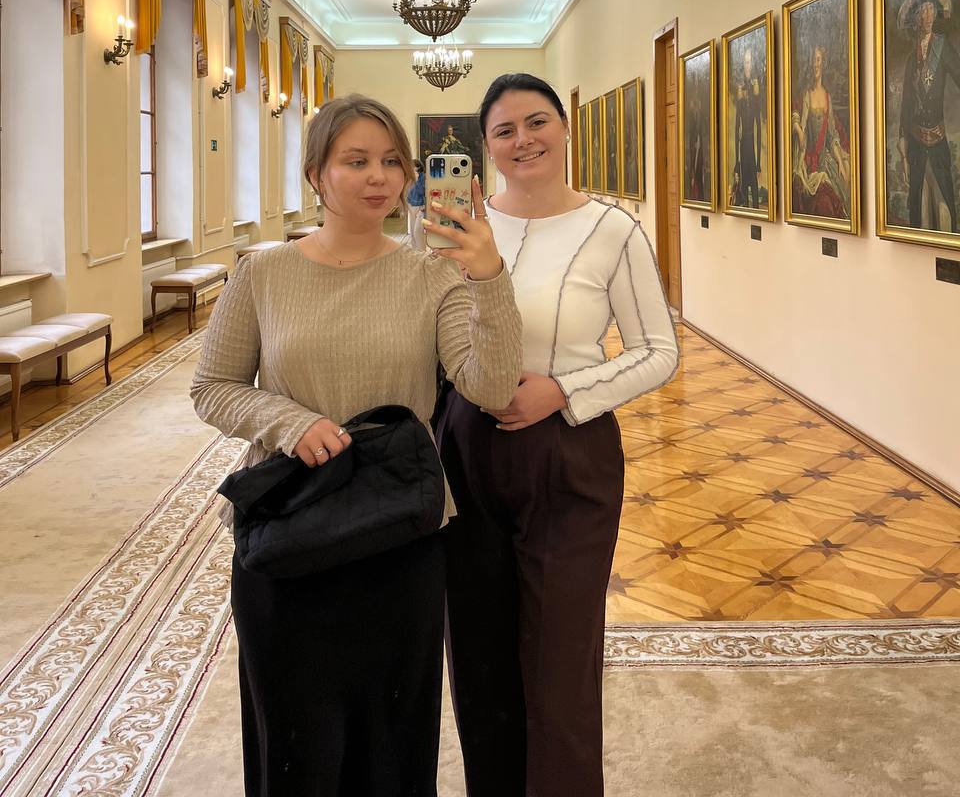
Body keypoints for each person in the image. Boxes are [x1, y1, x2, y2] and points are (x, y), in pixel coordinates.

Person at [191, 94, 521, 797]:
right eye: (356, 160)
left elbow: (492, 387)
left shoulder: (432, 274)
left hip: (397, 537)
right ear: (316, 173)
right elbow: (212, 387)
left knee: (394, 749)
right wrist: (291, 423)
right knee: (295, 748)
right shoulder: (262, 273)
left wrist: (490, 277)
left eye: (392, 161)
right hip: (291, 531)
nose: (379, 176)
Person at [437, 73, 679, 797]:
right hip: (466, 447)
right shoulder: (456, 227)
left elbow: (659, 351)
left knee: (560, 659)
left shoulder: (612, 229)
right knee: (477, 651)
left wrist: (564, 391)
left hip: (571, 451)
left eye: (537, 122)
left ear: (566, 128)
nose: (523, 140)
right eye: (504, 130)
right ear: (485, 147)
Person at [896, 0, 960, 232]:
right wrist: (903, 144)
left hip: (938, 140)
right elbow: (905, 106)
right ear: (916, 19)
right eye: (923, 11)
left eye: (931, 10)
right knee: (919, 207)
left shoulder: (943, 48)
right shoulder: (911, 60)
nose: (928, 15)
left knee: (944, 206)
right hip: (915, 143)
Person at [791, 44, 851, 220]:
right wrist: (798, 130)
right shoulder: (806, 94)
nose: (815, 64)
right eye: (813, 60)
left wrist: (840, 163)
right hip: (806, 163)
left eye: (818, 60)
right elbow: (796, 115)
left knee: (831, 203)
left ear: (823, 63)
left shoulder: (827, 97)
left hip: (824, 163)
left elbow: (832, 135)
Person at [733, 44, 762, 208]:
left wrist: (759, 163)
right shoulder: (740, 89)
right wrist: (736, 163)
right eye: (745, 62)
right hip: (743, 145)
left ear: (752, 63)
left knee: (755, 194)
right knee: (743, 192)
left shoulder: (756, 89)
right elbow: (736, 128)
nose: (747, 65)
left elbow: (759, 128)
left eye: (749, 62)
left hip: (752, 146)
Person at [407, 157, 426, 249]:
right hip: (411, 206)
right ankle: (415, 252)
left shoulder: (423, 177)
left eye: (413, 166)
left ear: (418, 167)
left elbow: (421, 192)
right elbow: (409, 192)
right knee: (412, 232)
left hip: (420, 207)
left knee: (417, 232)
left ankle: (422, 252)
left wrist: (417, 179)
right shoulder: (411, 177)